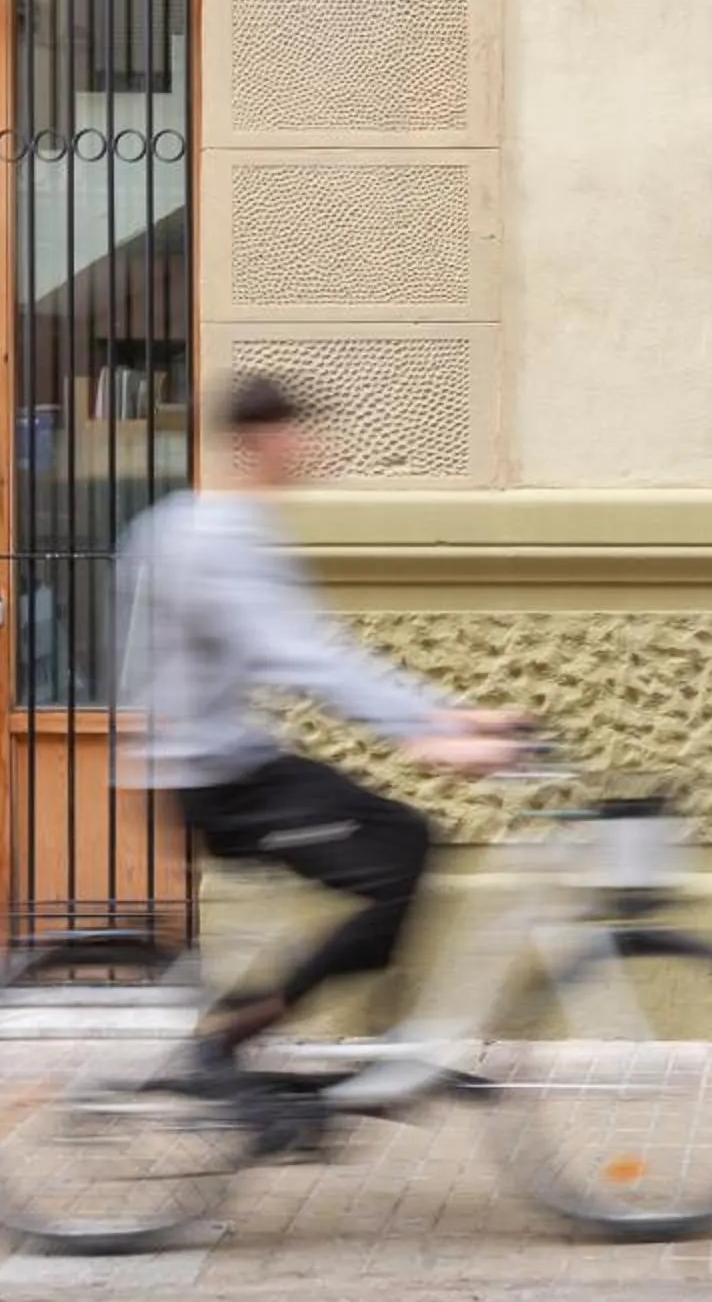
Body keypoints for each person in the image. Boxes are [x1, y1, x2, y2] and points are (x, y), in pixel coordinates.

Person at [116, 372, 525, 1083]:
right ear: (261, 441)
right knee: (401, 852)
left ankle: (383, 1041)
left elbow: (322, 648)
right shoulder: (220, 538)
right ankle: (240, 1035)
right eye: (300, 429)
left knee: (403, 841)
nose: (314, 444)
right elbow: (300, 655)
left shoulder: (197, 523)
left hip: (227, 765)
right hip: (221, 780)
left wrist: (447, 715)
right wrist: (422, 734)